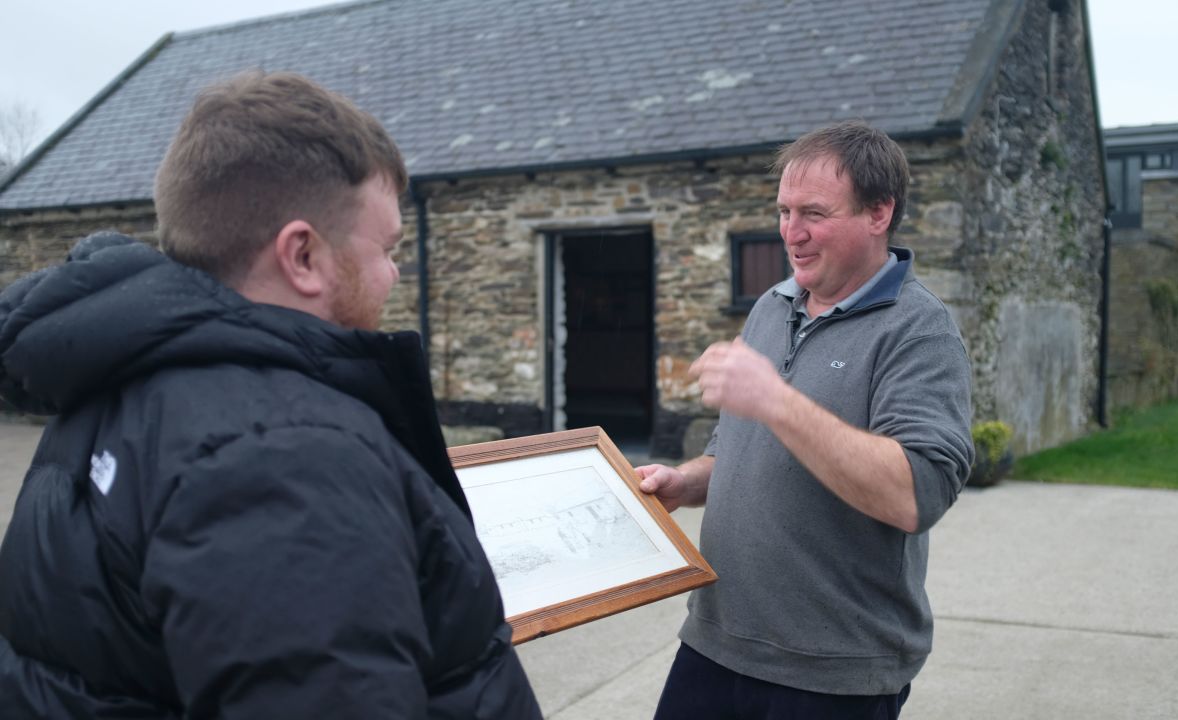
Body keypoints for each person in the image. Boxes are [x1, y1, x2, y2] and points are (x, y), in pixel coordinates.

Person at [0, 71, 541, 718]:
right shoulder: (285, 456)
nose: (396, 272)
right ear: (302, 256)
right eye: (389, 248)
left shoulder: (121, 373)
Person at [638, 120, 974, 719]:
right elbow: (735, 448)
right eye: (784, 211)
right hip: (716, 642)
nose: (792, 233)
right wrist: (685, 484)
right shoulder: (772, 307)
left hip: (833, 672)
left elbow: (915, 495)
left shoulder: (919, 330)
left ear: (879, 213)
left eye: (813, 213)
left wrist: (775, 398)